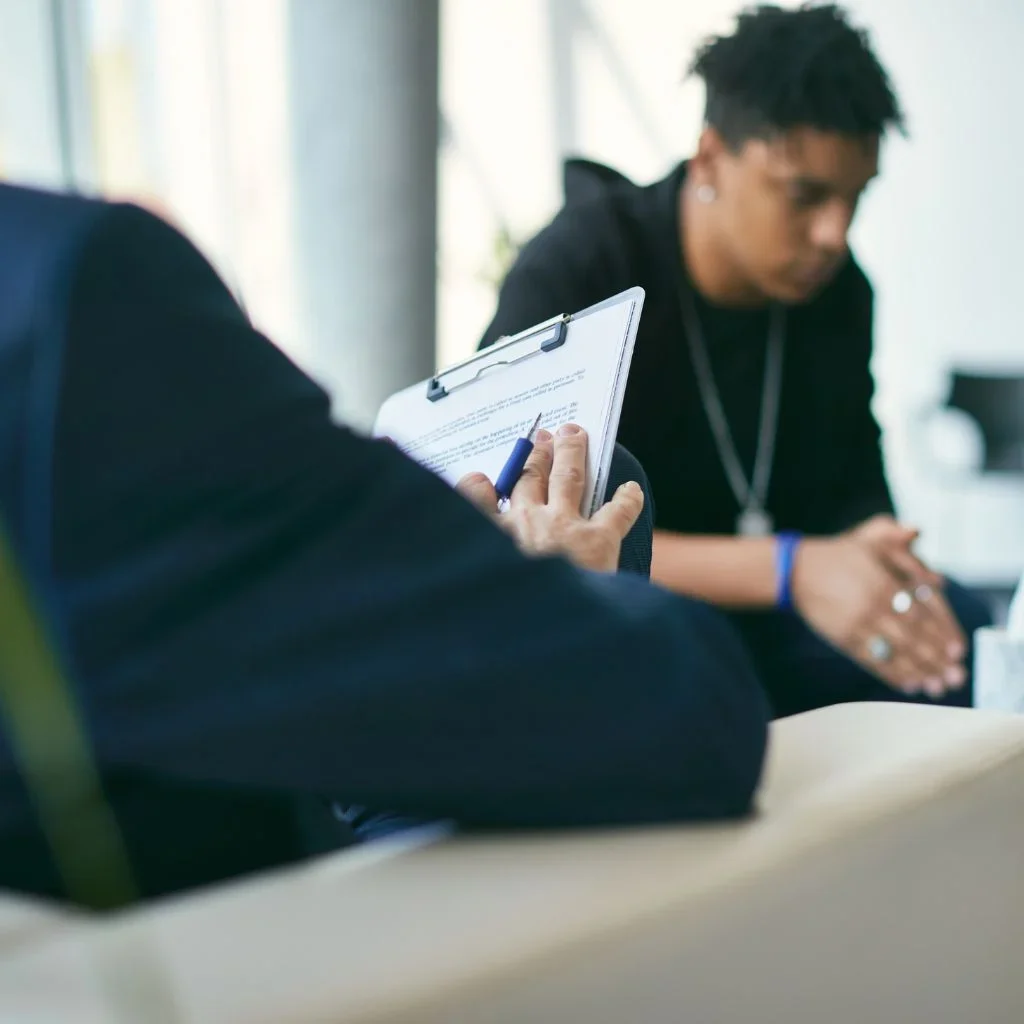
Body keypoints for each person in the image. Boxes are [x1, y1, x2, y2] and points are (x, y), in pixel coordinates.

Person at [0, 182, 768, 905]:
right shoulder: (78, 296)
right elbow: (689, 709)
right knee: (611, 490)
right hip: (296, 938)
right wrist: (547, 584)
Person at [481, 3, 992, 718]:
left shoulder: (839, 295)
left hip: (773, 622)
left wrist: (874, 554)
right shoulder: (584, 267)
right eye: (805, 195)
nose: (833, 234)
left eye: (855, 198)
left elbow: (853, 489)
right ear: (712, 157)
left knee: (960, 635)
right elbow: (521, 525)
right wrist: (789, 569)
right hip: (622, 619)